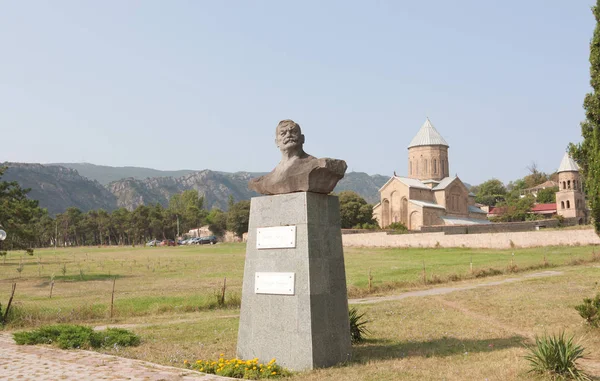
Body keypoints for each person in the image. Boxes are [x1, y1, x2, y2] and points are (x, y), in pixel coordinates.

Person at [248, 120, 346, 195]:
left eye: (293, 132)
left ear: (302, 138)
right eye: (283, 133)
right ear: (276, 142)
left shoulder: (315, 166)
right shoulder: (268, 178)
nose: (288, 135)